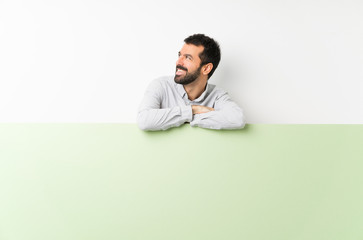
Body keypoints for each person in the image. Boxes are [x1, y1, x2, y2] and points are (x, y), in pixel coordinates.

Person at [137, 34, 245, 131]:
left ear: (206, 69)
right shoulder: (161, 85)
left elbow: (236, 119)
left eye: (188, 58)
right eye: (180, 55)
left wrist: (186, 117)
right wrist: (193, 110)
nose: (178, 62)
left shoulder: (217, 95)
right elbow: (144, 120)